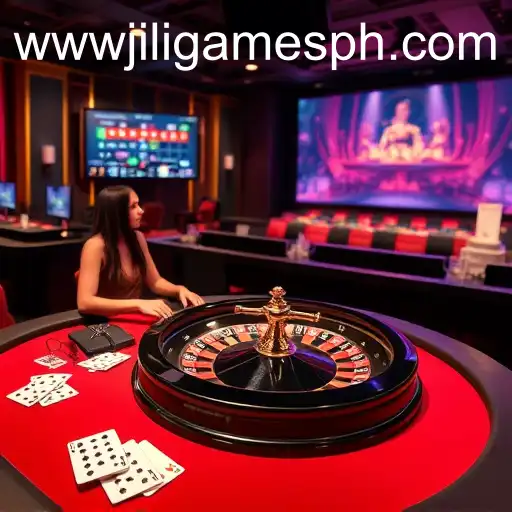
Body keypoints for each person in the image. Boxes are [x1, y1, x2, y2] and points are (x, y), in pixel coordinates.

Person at [77, 185, 204, 319]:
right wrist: (138, 304)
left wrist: (179, 290)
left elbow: (155, 282)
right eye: (133, 207)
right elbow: (85, 302)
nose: (141, 211)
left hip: (132, 318)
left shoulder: (138, 238)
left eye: (138, 204)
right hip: (105, 323)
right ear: (117, 212)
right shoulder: (95, 246)